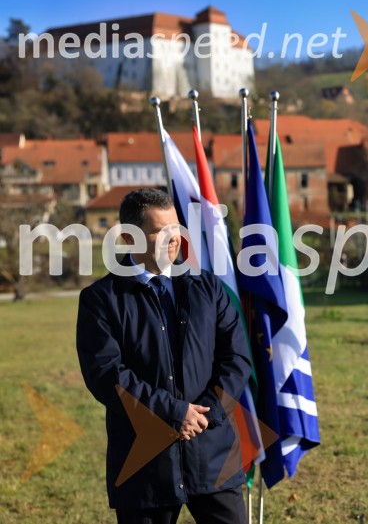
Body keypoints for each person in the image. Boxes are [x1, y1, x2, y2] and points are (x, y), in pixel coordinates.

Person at [76, 188, 251, 524]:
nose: (173, 238)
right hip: (144, 465)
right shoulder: (101, 299)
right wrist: (173, 412)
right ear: (129, 237)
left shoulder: (209, 288)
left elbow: (236, 359)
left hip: (212, 455)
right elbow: (106, 375)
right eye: (160, 230)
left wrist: (205, 415)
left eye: (175, 227)